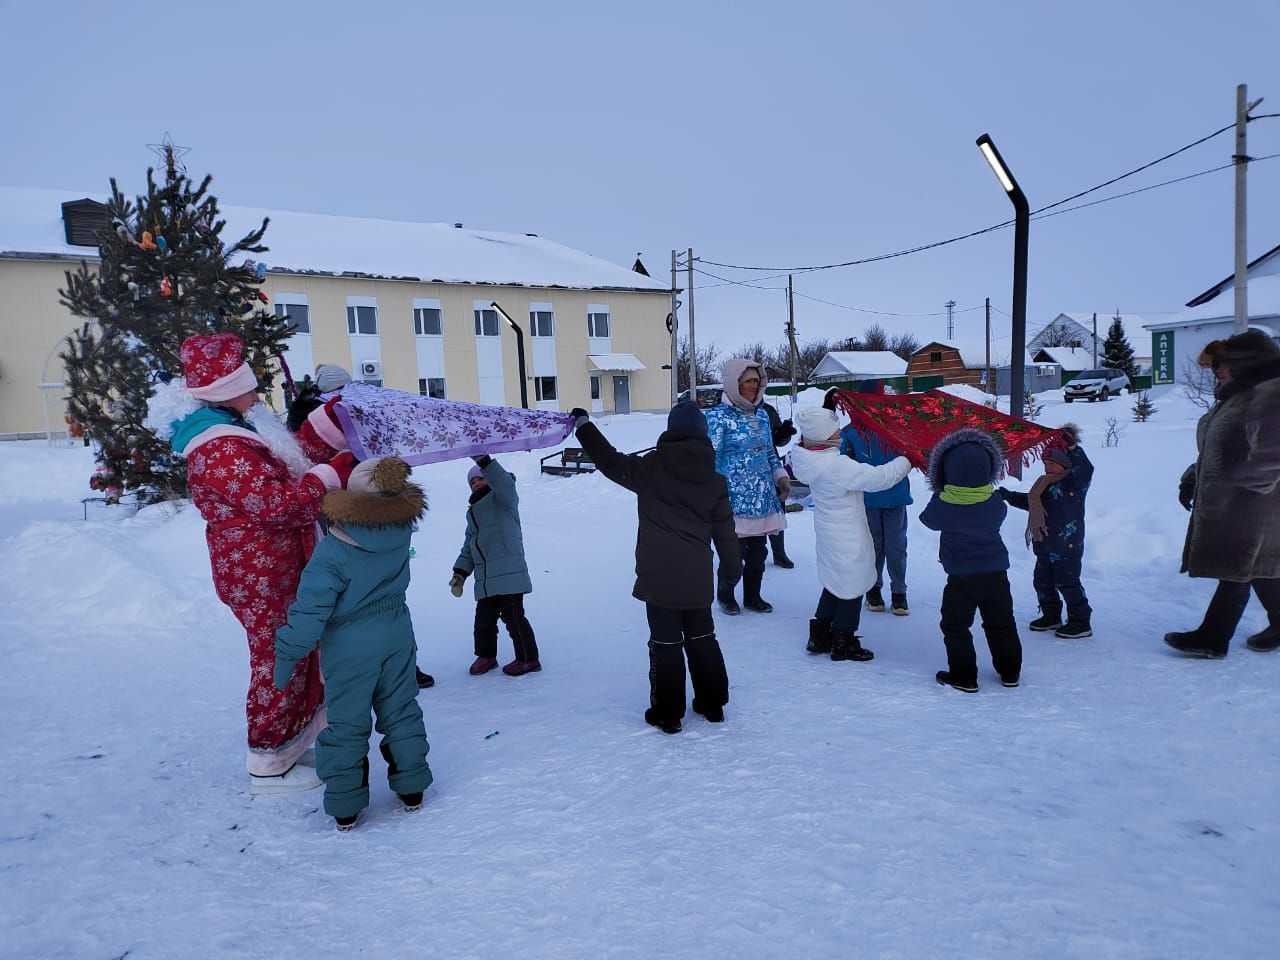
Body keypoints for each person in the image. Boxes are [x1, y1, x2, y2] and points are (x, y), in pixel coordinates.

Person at [145, 332, 357, 793]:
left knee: (297, 651)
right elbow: (279, 504)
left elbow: (287, 464)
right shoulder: (219, 445)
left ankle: (292, 741)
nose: (257, 391)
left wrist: (325, 429)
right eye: (248, 384)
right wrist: (331, 475)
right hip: (258, 571)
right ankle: (268, 759)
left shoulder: (236, 427)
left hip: (275, 564)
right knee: (278, 657)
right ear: (226, 390)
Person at [273, 457, 433, 831]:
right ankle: (412, 787)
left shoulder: (335, 550)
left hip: (349, 644)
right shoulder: (400, 531)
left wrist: (288, 652)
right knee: (401, 708)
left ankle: (346, 803)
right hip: (396, 632)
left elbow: (312, 608)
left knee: (346, 720)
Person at [569, 402, 739, 733]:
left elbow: (609, 461)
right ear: (703, 435)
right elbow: (726, 534)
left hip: (658, 577)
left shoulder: (650, 468)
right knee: (703, 638)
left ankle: (668, 713)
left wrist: (584, 427)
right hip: (698, 578)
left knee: (665, 644)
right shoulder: (714, 481)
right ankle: (712, 703)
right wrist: (732, 571)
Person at [290, 392, 437, 690]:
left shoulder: (358, 460)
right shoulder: (314, 471)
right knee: (349, 612)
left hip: (374, 553)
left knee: (385, 606)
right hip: (338, 553)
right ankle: (358, 675)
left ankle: (401, 668)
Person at [1165, 331, 1280, 658]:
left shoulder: (1270, 392)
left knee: (1237, 568)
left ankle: (1212, 638)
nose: (1216, 370)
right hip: (1237, 501)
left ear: (1247, 361)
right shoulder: (1238, 396)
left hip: (1253, 504)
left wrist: (1242, 486)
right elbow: (1218, 450)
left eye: (1221, 363)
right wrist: (1193, 478)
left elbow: (1273, 453)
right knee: (1253, 566)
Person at [790, 407, 912, 662]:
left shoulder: (809, 459)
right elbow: (880, 478)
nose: (839, 431)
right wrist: (908, 458)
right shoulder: (835, 465)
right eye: (834, 428)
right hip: (846, 534)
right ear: (824, 435)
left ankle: (820, 634)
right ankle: (844, 640)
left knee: (835, 581)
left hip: (828, 531)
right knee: (852, 584)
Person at [919, 428, 1022, 692]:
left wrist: (939, 494)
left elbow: (927, 521)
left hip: (961, 577)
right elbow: (998, 517)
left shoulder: (944, 504)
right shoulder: (994, 501)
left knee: (955, 625)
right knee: (1001, 623)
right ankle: (1010, 672)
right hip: (996, 574)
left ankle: (964, 676)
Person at [704, 359, 790, 614]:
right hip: (731, 500)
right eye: (748, 381)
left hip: (762, 499)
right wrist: (714, 495)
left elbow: (769, 453)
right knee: (734, 554)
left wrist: (781, 477)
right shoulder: (717, 417)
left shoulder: (762, 415)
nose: (754, 386)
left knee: (758, 554)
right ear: (734, 383)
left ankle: (753, 597)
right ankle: (726, 595)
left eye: (757, 381)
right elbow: (711, 459)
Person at [1000, 423, 1094, 638]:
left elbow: (1086, 468)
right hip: (1043, 542)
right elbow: (1031, 503)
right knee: (1042, 581)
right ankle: (1051, 616)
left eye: (1054, 463)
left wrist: (1073, 449)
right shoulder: (1043, 485)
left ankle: (1081, 621)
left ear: (1065, 465)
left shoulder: (1075, 483)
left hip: (1067, 546)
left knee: (1067, 582)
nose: (1048, 468)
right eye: (1046, 463)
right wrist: (1008, 496)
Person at [450, 456, 542, 676]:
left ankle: (529, 659)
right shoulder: (472, 512)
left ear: (490, 479)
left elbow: (504, 483)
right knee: (483, 621)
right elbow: (469, 545)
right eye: (472, 482)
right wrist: (460, 573)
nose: (476, 484)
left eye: (480, 479)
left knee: (513, 617)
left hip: (509, 571)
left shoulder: (503, 499)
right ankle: (486, 656)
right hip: (485, 577)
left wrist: (485, 462)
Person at [841, 421, 913, 616]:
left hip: (895, 498)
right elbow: (844, 464)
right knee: (876, 546)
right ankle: (874, 590)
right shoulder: (851, 432)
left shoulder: (897, 427)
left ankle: (898, 592)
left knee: (894, 546)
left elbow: (912, 455)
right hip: (868, 499)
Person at [761, 399, 798, 568]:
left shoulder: (768, 410)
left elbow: (777, 441)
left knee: (776, 508)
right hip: (745, 469)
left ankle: (779, 552)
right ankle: (749, 552)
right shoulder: (733, 409)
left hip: (771, 465)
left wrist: (783, 433)